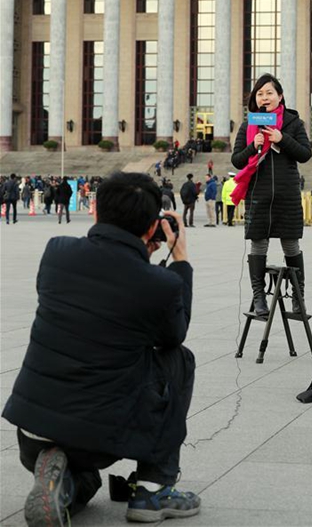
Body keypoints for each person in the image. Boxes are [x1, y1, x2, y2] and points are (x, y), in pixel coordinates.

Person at [2, 172, 200, 526]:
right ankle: (153, 489)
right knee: (179, 360)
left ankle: (59, 479)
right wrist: (180, 260)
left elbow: (100, 292)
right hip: (99, 440)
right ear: (154, 224)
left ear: (94, 210)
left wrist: (139, 257)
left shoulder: (57, 251)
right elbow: (173, 336)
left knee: (88, 483)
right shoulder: (162, 284)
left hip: (32, 429)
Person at [231, 73, 312, 317]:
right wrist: (252, 144)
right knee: (259, 244)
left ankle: (298, 299)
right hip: (259, 193)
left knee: (290, 244)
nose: (264, 97)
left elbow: (305, 154)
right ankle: (259, 298)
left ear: (280, 96)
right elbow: (236, 160)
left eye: (269, 93)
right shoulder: (248, 125)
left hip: (286, 194)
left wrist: (282, 138)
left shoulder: (293, 123)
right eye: (260, 94)